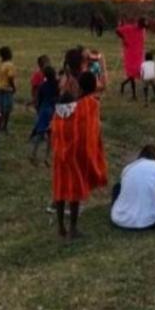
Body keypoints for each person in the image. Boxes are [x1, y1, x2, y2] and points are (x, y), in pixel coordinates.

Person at [50, 70, 108, 240]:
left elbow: (54, 131)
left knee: (60, 191)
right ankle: (73, 229)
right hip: (75, 158)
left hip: (60, 157)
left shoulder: (60, 111)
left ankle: (61, 227)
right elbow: (92, 130)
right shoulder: (89, 106)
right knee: (74, 193)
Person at [110, 144, 155, 229]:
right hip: (148, 221)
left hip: (120, 220)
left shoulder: (128, 167)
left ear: (140, 156)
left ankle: (122, 209)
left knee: (117, 187)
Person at [29, 65, 59, 165]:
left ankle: (33, 154)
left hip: (44, 109)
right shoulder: (57, 85)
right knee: (51, 134)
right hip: (54, 109)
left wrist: (38, 108)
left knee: (40, 132)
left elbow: (39, 99)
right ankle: (47, 157)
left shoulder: (43, 86)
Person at [116, 17, 146, 99]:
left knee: (138, 72)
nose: (143, 27)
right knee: (132, 73)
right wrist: (124, 39)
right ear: (139, 23)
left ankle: (123, 84)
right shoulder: (130, 28)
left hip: (139, 55)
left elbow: (142, 42)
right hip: (130, 54)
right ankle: (134, 94)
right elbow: (117, 30)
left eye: (144, 26)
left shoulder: (143, 31)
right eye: (142, 26)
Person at [0, 46, 17, 133]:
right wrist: (14, 87)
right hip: (7, 88)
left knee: (0, 107)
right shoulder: (10, 65)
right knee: (7, 108)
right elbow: (10, 77)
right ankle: (4, 126)